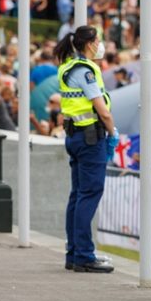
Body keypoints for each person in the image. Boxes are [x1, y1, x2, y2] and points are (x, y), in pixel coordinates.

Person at [54, 25, 117, 273]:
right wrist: (113, 132)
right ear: (90, 43)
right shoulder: (86, 70)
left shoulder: (66, 67)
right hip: (91, 139)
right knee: (89, 195)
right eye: (98, 39)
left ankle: (73, 253)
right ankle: (83, 255)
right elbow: (101, 109)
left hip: (75, 136)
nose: (100, 43)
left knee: (78, 195)